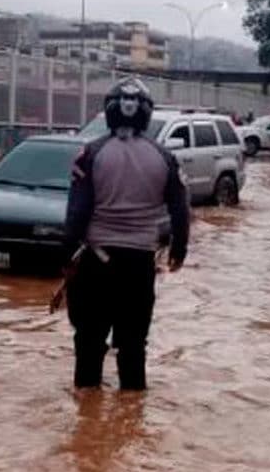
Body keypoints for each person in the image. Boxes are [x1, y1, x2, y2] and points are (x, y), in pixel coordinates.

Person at [64, 78, 190, 392]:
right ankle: (132, 421)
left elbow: (77, 213)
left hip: (96, 262)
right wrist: (179, 251)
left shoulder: (90, 154)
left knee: (89, 343)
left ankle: (87, 421)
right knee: (133, 346)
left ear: (109, 110)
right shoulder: (164, 157)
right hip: (140, 264)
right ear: (146, 113)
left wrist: (66, 257)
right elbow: (180, 211)